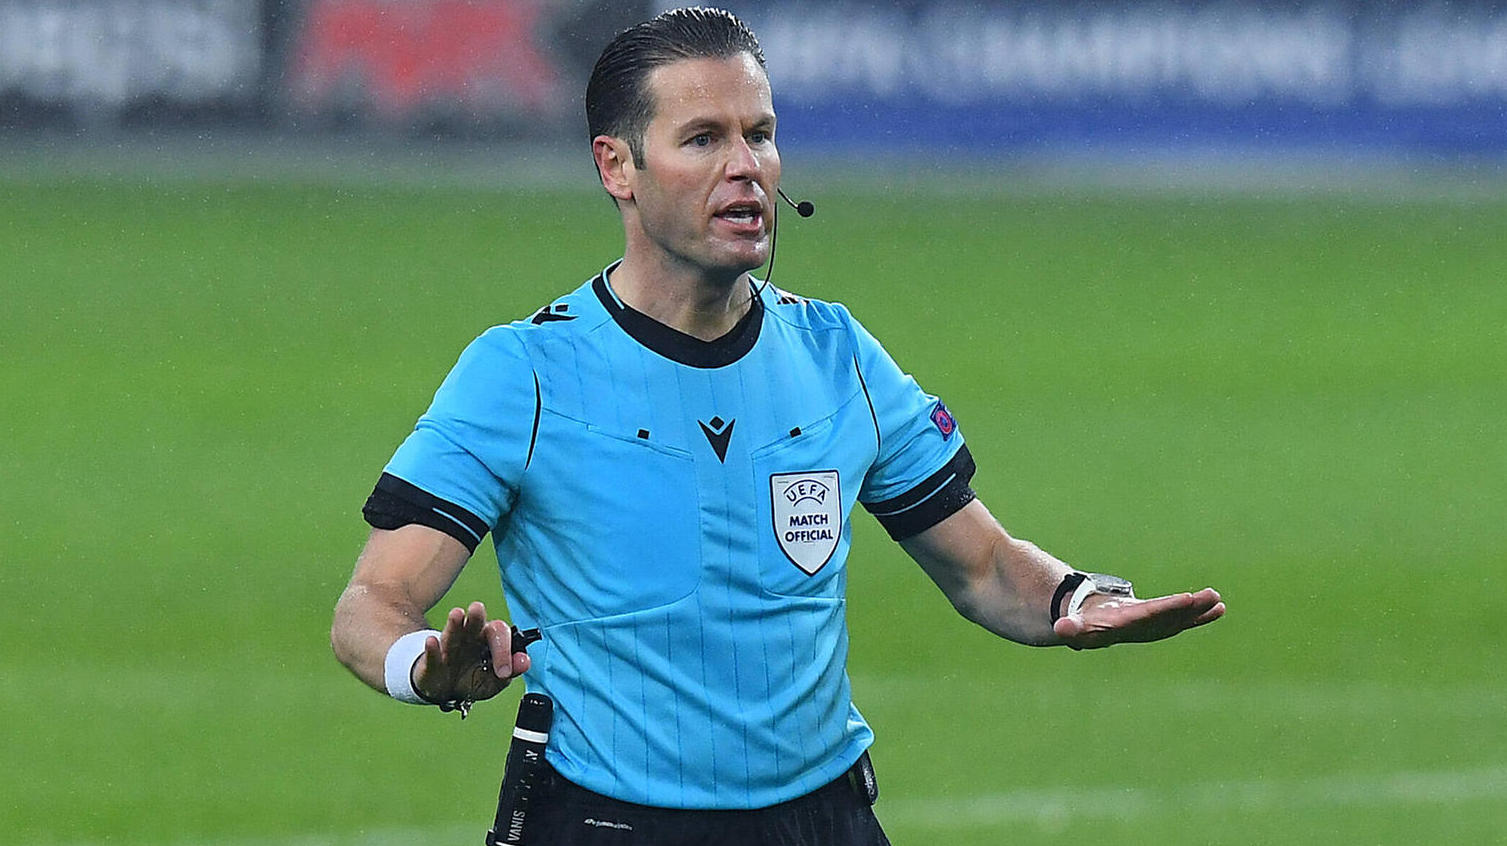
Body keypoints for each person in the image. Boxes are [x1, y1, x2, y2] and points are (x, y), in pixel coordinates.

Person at [330, 7, 1225, 844]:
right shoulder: (521, 374)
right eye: (703, 139)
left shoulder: (836, 353)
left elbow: (983, 566)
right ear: (616, 167)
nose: (746, 166)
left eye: (758, 134)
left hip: (824, 819)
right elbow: (370, 604)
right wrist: (422, 665)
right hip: (607, 824)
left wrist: (1074, 598)